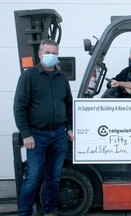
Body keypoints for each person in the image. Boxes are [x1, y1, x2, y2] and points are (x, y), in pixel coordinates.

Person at [13, 39, 74, 216]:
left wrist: (69, 127)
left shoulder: (61, 77)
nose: (51, 56)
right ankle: (24, 212)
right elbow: (19, 107)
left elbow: (68, 105)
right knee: (33, 177)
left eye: (54, 53)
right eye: (47, 53)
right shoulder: (29, 76)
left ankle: (50, 210)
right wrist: (26, 134)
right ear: (39, 54)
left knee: (54, 177)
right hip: (37, 136)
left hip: (59, 134)